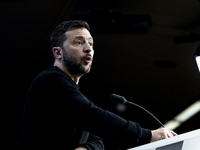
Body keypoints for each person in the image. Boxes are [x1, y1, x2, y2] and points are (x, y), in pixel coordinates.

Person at [18, 20, 177, 150]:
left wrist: (86, 148)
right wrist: (148, 135)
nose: (88, 49)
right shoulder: (51, 80)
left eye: (91, 43)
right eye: (79, 43)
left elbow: (96, 138)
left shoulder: (72, 97)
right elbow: (94, 117)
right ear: (58, 53)